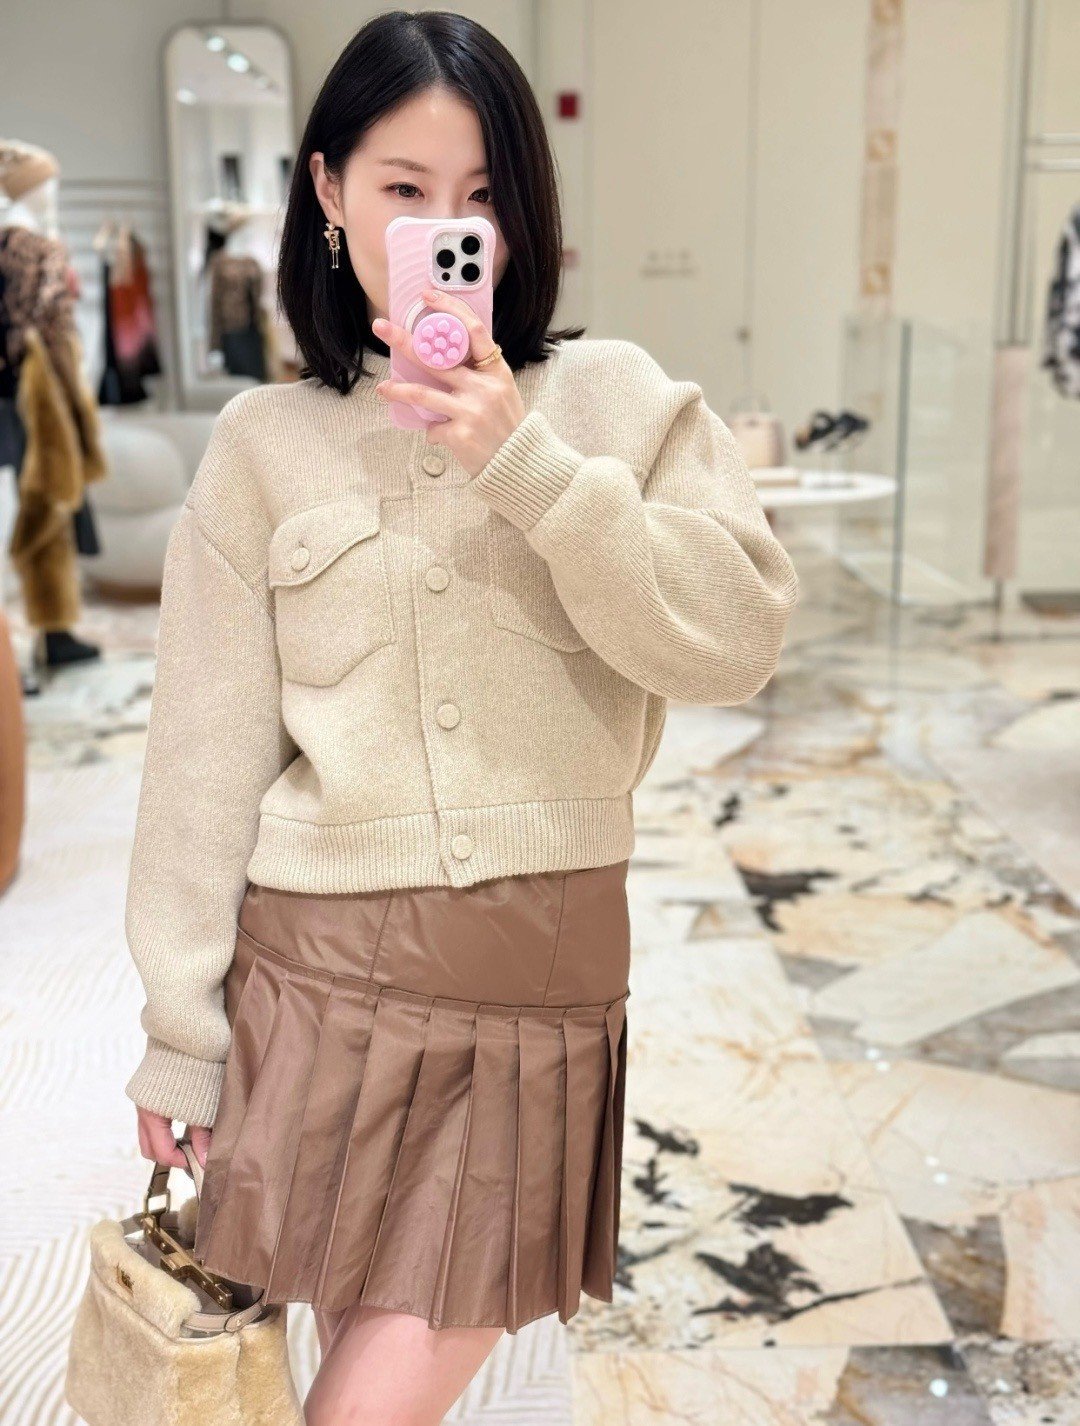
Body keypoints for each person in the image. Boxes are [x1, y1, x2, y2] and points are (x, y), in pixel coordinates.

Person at [123, 10, 800, 1424]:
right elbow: (202, 760)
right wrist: (180, 1027)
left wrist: (528, 466)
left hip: (530, 983)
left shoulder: (614, 402)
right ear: (327, 191)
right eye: (406, 189)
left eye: (482, 197)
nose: (448, 228)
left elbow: (738, 633)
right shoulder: (262, 447)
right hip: (314, 977)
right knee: (339, 1357)